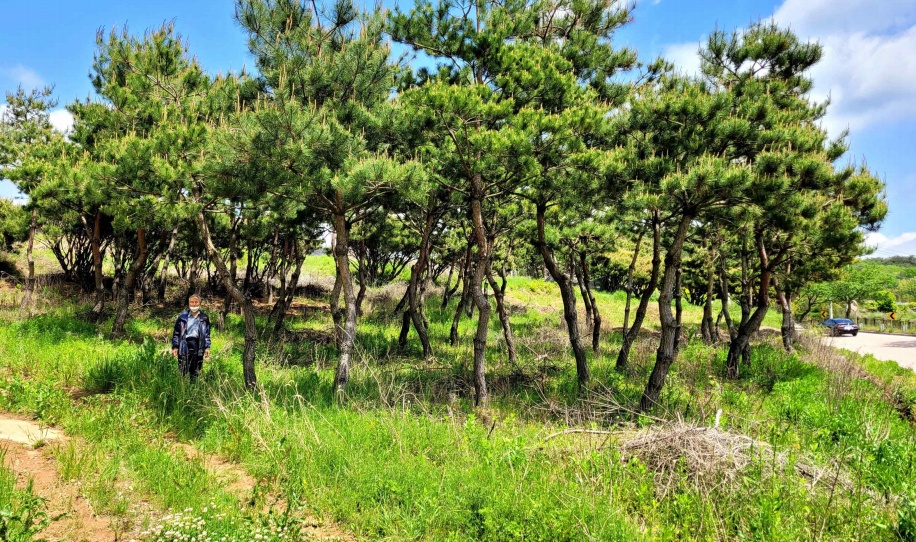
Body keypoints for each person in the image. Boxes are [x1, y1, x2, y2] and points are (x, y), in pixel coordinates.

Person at [171, 295, 211, 379]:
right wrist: (175, 347)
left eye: (196, 302)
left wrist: (207, 347)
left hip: (198, 345)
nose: (194, 304)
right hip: (184, 344)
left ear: (199, 303)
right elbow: (176, 333)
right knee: (182, 368)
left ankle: (194, 385)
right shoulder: (182, 317)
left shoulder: (204, 318)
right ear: (189, 303)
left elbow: (207, 334)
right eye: (192, 302)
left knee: (196, 369)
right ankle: (182, 385)